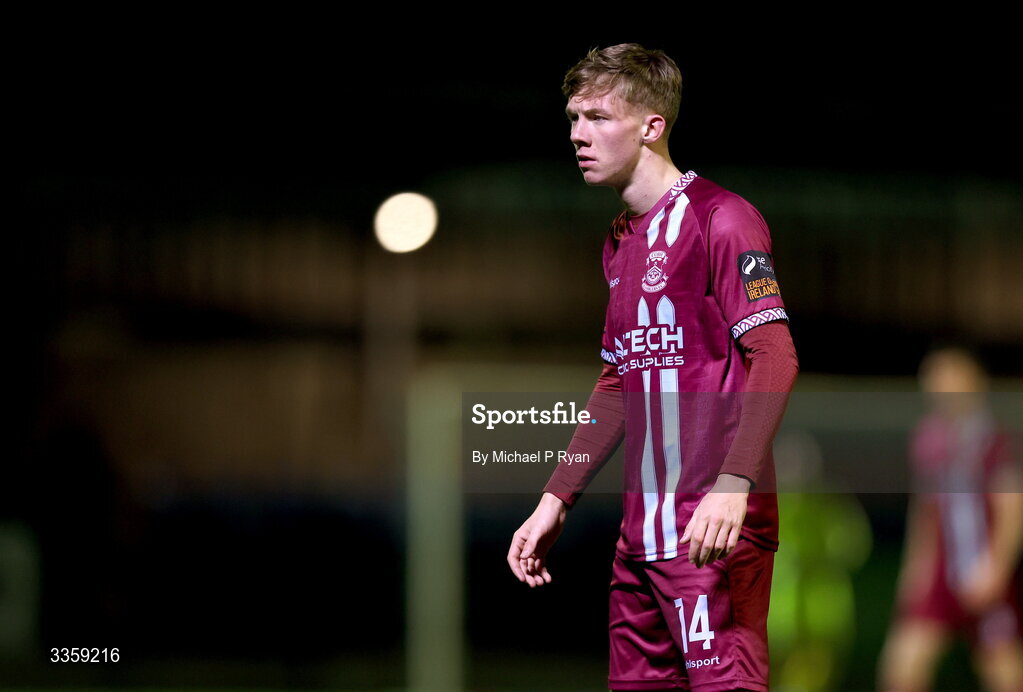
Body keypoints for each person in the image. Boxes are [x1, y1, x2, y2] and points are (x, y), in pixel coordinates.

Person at [506, 44, 799, 691]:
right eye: (573, 118)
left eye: (597, 117)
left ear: (651, 125)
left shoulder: (722, 219)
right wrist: (555, 498)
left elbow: (774, 353)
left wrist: (733, 481)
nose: (578, 135)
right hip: (638, 539)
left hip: (710, 532)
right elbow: (619, 380)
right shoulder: (619, 243)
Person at [879, 346, 1023, 692]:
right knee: (903, 664)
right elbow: (925, 511)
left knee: (1003, 672)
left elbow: (1012, 505)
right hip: (942, 574)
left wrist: (997, 567)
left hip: (985, 570)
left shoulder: (996, 439)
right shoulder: (929, 440)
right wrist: (915, 571)